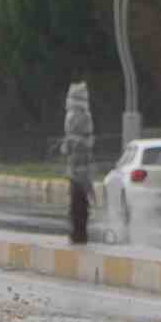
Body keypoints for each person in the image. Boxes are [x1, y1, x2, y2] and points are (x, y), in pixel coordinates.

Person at [63, 81, 94, 245]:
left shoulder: (78, 116)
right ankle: (78, 233)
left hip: (78, 169)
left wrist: (69, 144)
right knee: (79, 203)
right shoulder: (80, 115)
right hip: (79, 168)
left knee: (78, 203)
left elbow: (77, 142)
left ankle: (78, 234)